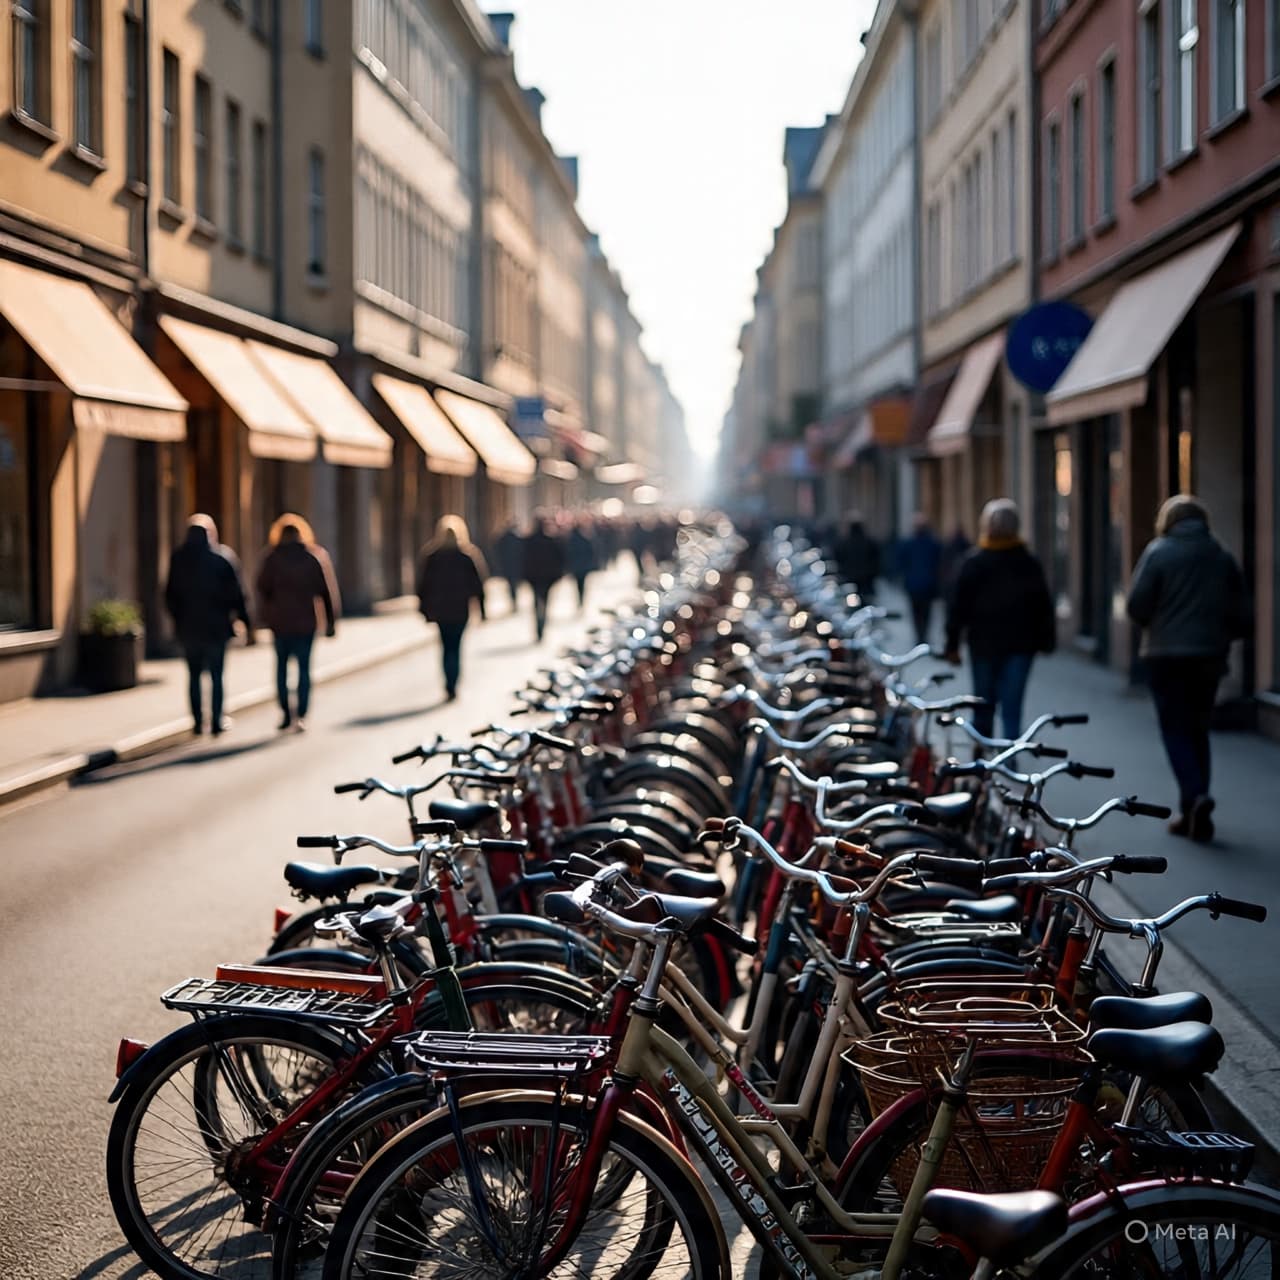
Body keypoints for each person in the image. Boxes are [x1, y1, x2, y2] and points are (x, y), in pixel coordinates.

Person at [1126, 495, 1249, 843]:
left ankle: (1194, 798)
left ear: (1168, 521)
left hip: (1165, 656)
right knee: (1198, 729)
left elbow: (1136, 605)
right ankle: (1195, 805)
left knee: (1174, 729)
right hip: (1208, 656)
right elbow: (1241, 612)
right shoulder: (1220, 555)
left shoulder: (1158, 552)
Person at [944, 498, 1055, 741]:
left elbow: (957, 608)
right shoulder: (1027, 563)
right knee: (1011, 709)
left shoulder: (975, 562)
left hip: (985, 645)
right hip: (1019, 646)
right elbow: (1043, 606)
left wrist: (952, 645)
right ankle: (1008, 754)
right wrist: (1046, 640)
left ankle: (982, 755)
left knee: (983, 706)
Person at [164, 514, 253, 736]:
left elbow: (169, 594)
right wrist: (245, 622)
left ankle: (197, 721)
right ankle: (216, 720)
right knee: (216, 675)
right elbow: (238, 595)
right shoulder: (222, 557)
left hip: (189, 628)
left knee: (194, 676)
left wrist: (178, 618)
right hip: (217, 627)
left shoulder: (178, 558)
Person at [256, 514, 339, 732]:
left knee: (281, 669)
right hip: (306, 623)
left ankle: (286, 712)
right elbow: (326, 592)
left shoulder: (272, 558)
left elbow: (262, 589)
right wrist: (331, 622)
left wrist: (264, 617)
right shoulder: (312, 557)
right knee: (303, 669)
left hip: (280, 623)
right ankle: (301, 713)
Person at [416, 515, 487, 701]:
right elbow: (478, 586)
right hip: (460, 610)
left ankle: (449, 684)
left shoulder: (432, 556)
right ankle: (453, 683)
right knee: (456, 646)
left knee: (446, 646)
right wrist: (482, 610)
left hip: (441, 611)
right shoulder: (466, 556)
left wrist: (423, 609)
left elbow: (422, 586)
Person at [897, 514, 944, 644]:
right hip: (926, 584)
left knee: (917, 613)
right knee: (925, 613)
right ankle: (922, 636)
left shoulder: (910, 543)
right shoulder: (932, 544)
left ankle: (920, 636)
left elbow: (901, 563)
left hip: (917, 585)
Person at [522, 514, 565, 641]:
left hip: (535, 577)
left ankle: (539, 626)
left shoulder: (529, 541)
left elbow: (522, 559)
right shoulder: (551, 540)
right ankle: (542, 624)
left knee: (536, 602)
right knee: (545, 601)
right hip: (546, 577)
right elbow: (560, 559)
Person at [835, 517, 881, 599]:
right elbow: (876, 559)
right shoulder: (869, 542)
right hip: (866, 578)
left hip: (851, 577)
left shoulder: (845, 543)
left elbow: (839, 558)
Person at [566, 515, 598, 612]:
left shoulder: (574, 538)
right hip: (580, 566)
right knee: (581, 585)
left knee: (580, 585)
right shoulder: (583, 537)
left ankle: (580, 600)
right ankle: (580, 600)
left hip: (580, 566)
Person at [493, 521, 524, 613]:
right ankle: (514, 599)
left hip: (508, 565)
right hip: (514, 565)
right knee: (513, 584)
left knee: (511, 584)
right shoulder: (516, 538)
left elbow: (497, 551)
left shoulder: (503, 539)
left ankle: (513, 600)